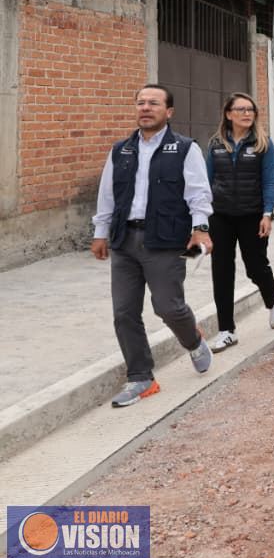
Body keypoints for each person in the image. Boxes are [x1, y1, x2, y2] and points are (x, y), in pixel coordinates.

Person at [91, 84, 214, 408]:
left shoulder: (185, 148)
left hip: (164, 240)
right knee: (124, 312)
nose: (146, 108)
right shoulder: (121, 150)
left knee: (168, 307)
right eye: (141, 103)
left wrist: (200, 228)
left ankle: (194, 339)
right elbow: (107, 194)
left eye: (154, 103)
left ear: (168, 111)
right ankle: (141, 378)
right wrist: (100, 232)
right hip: (124, 241)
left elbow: (199, 193)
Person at [206, 93, 274, 353]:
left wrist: (268, 213)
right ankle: (226, 330)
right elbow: (207, 182)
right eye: (240, 109)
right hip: (220, 215)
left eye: (250, 109)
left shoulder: (263, 144)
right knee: (222, 272)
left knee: (256, 267)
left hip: (253, 215)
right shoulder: (216, 144)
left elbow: (270, 181)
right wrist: (201, 220)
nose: (246, 114)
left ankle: (272, 301)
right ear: (228, 114)